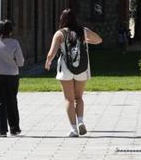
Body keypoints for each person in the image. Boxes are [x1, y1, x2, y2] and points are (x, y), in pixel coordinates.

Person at [43, 8, 102, 137]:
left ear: (62, 19)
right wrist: (87, 40)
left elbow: (51, 53)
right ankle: (81, 121)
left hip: (65, 69)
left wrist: (48, 62)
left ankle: (73, 129)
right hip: (82, 68)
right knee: (79, 97)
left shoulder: (60, 34)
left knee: (69, 99)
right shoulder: (83, 31)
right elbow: (99, 40)